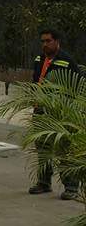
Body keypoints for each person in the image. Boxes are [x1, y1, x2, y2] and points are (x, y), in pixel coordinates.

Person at [28, 29, 80, 200]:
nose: (45, 44)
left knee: (63, 149)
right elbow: (36, 80)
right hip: (40, 110)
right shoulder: (39, 59)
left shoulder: (66, 61)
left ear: (57, 41)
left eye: (48, 41)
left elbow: (77, 85)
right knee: (42, 148)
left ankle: (71, 187)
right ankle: (44, 183)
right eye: (42, 41)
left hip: (59, 112)